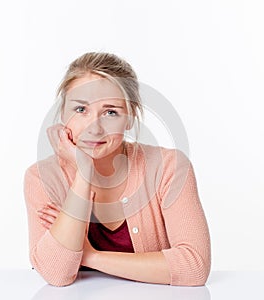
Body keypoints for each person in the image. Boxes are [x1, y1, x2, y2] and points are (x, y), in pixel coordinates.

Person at [23, 52, 211, 287]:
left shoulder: (169, 167)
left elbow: (194, 267)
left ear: (130, 118)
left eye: (110, 112)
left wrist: (92, 256)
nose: (94, 127)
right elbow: (56, 274)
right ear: (63, 114)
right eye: (81, 110)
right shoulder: (42, 177)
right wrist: (84, 173)